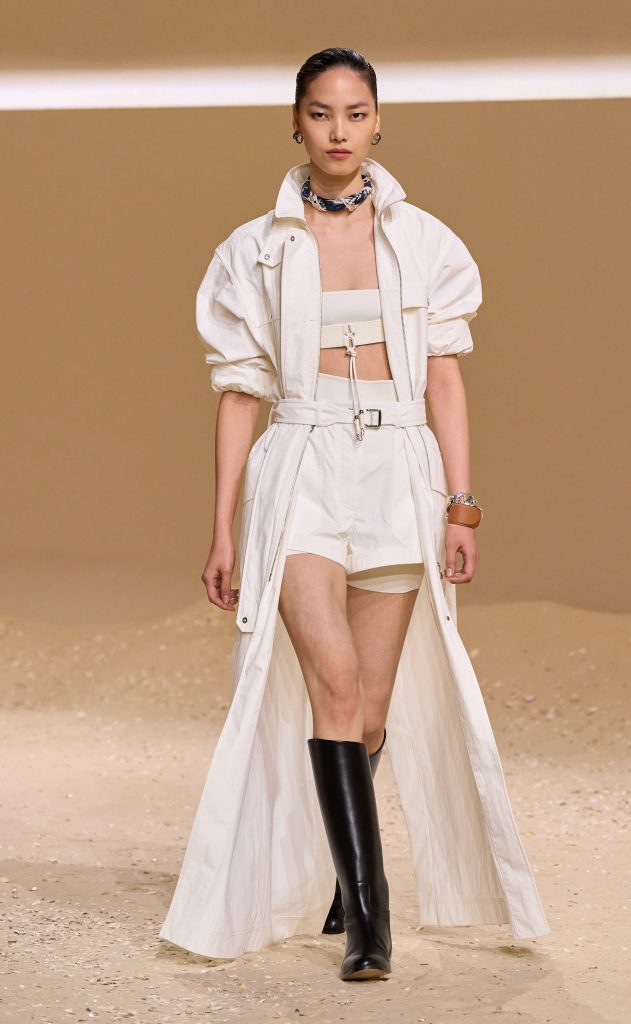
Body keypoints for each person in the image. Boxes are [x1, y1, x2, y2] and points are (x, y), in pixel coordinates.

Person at [158, 46, 550, 981]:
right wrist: (222, 527)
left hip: (398, 471)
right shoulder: (253, 249)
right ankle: (369, 928)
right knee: (332, 684)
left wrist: (461, 506)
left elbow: (444, 378)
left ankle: (345, 876)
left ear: (378, 123)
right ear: (295, 123)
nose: (339, 131)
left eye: (356, 113)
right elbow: (240, 393)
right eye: (321, 113)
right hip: (300, 463)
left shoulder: (425, 242)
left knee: (368, 709)